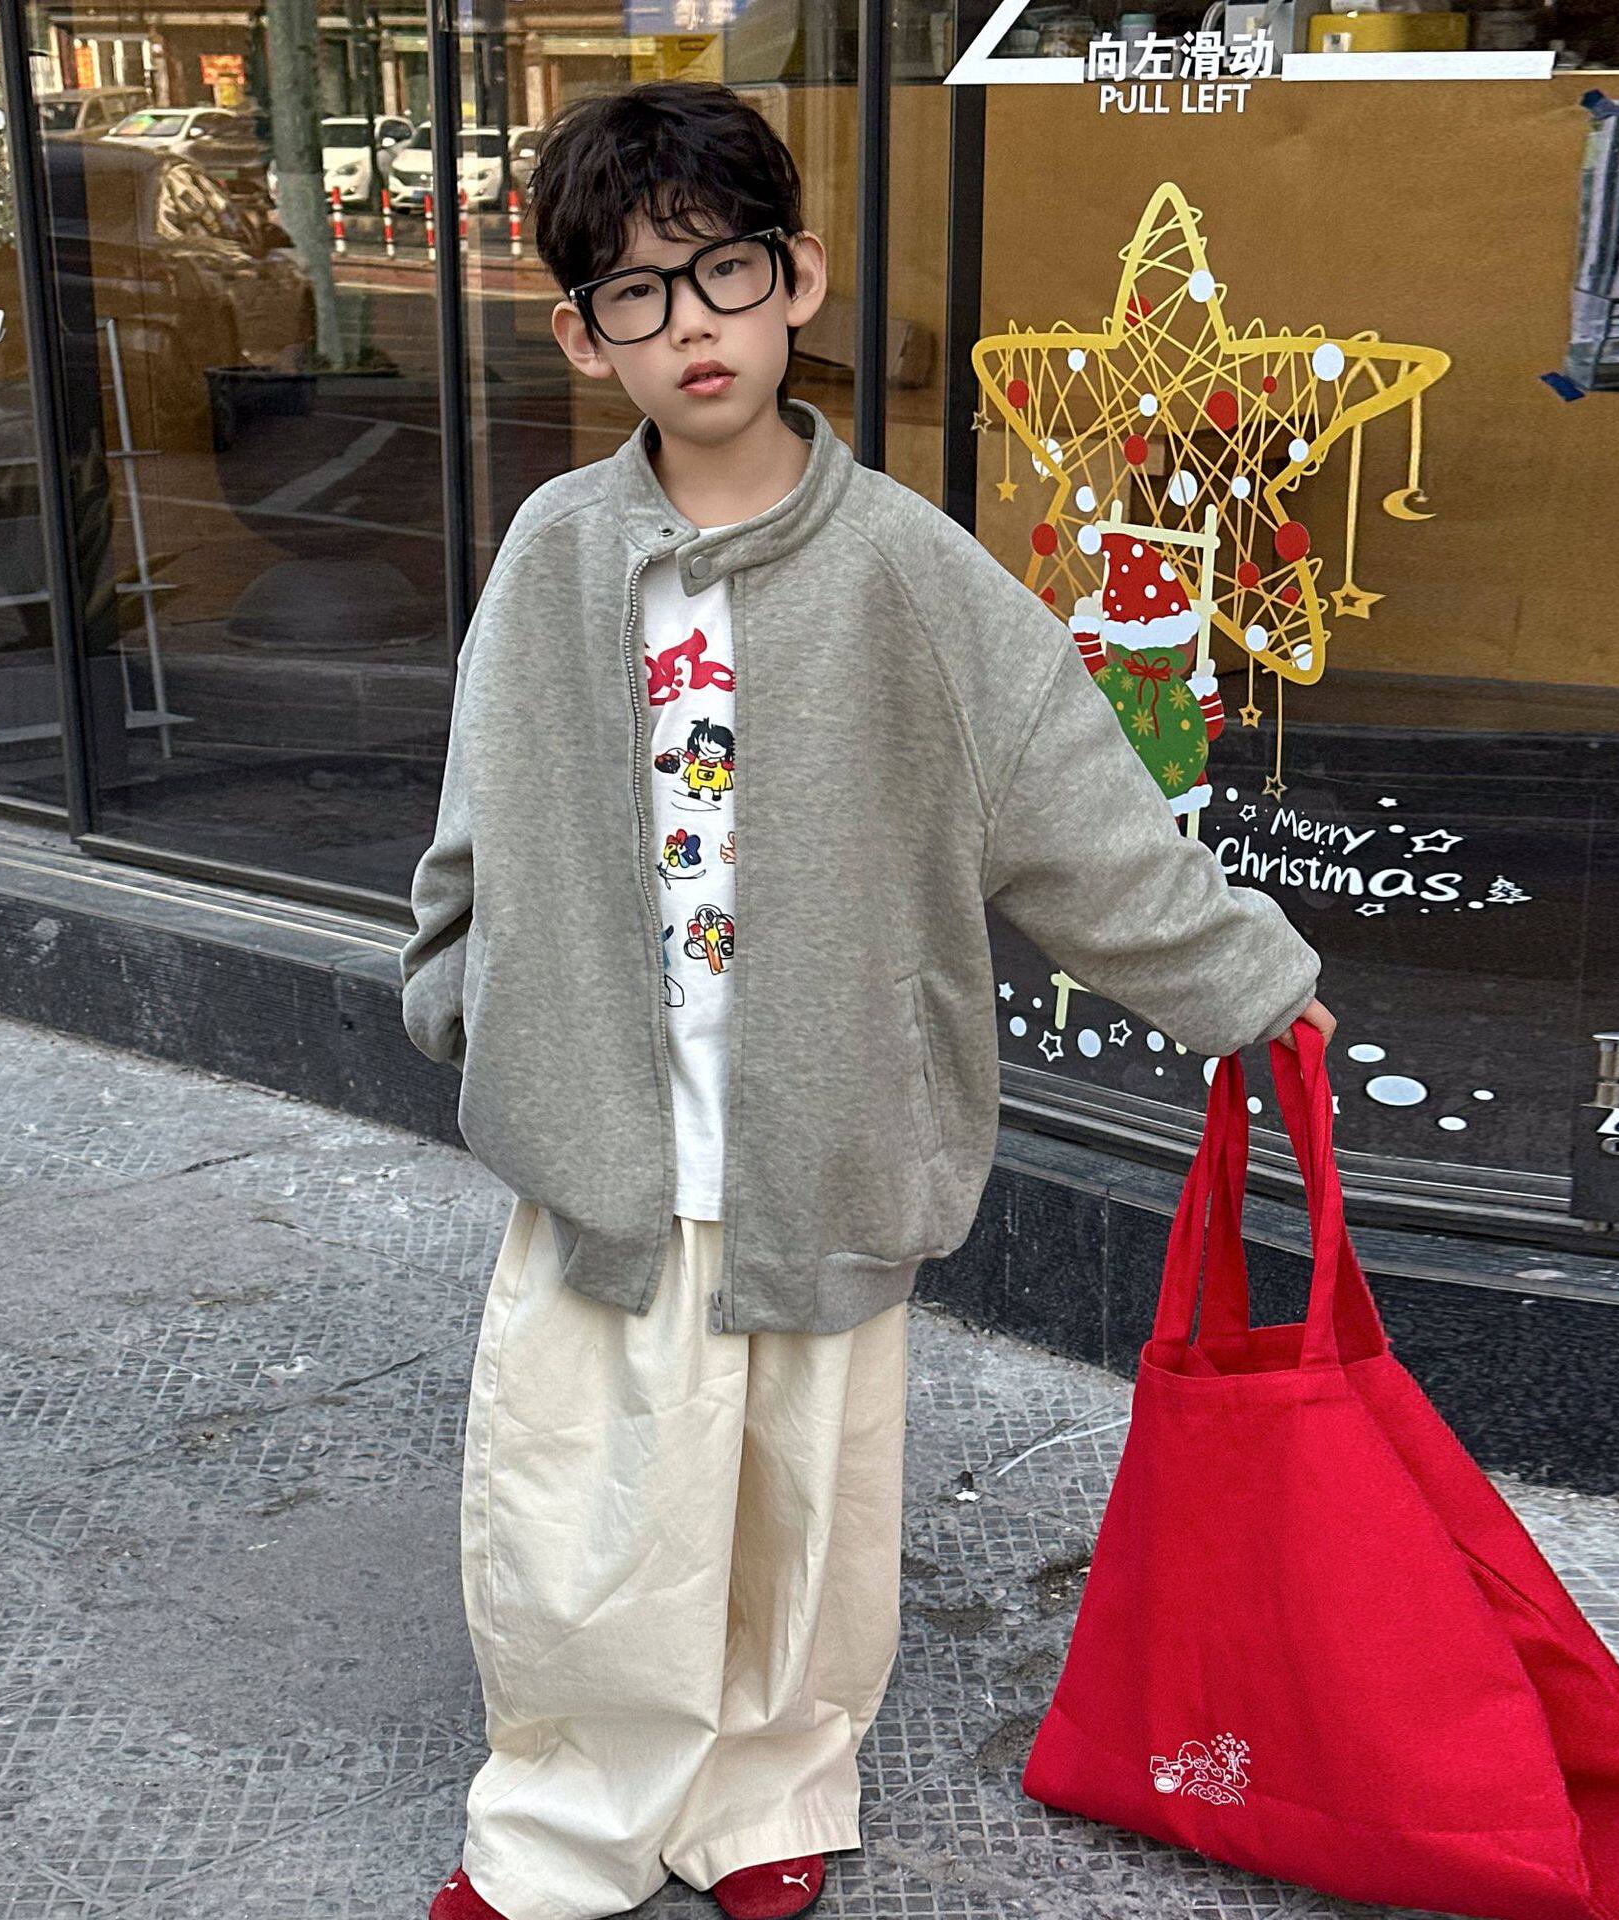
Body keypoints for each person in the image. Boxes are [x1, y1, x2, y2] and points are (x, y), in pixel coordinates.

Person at [399, 79, 1336, 1920]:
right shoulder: (555, 553)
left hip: (830, 1131)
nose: (692, 326)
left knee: (803, 1512)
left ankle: (765, 1802)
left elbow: (1075, 807)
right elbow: (477, 803)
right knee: (582, 1508)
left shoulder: (908, 569)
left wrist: (1241, 978)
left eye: (724, 272)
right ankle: (567, 1825)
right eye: (637, 293)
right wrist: (457, 987)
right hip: (603, 1127)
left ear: (799, 279)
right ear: (584, 336)